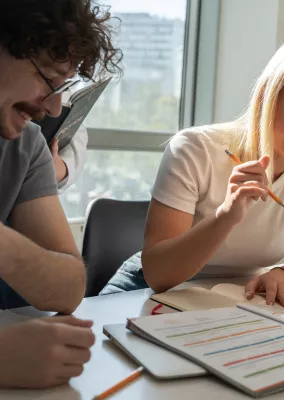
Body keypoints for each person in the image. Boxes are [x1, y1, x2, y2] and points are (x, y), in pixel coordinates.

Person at [101, 35, 284, 309]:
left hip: (233, 298)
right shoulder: (194, 149)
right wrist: (225, 215)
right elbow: (159, 276)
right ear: (268, 97)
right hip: (145, 291)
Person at [0, 0, 121, 388]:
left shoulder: (24, 146)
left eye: (62, 88)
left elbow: (69, 286)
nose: (53, 108)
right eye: (48, 80)